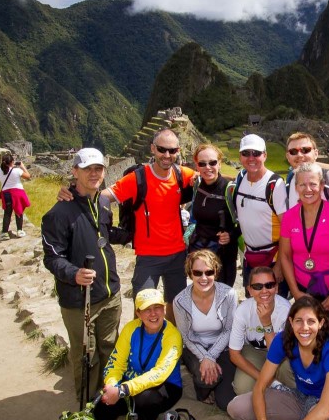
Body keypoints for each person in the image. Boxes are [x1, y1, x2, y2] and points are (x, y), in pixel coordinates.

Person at [41, 148, 122, 399]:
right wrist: (74, 273)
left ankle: (110, 399)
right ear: (75, 172)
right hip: (80, 300)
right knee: (87, 355)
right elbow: (52, 257)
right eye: (88, 169)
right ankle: (88, 405)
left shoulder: (102, 204)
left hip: (110, 293)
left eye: (98, 169)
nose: (94, 174)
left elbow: (106, 236)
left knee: (110, 349)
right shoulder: (59, 214)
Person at [108, 129, 195, 323]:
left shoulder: (182, 175)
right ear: (153, 149)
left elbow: (211, 178)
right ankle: (139, 345)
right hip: (148, 255)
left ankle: (172, 345)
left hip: (177, 253)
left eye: (172, 151)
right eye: (162, 149)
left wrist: (243, 181)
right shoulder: (137, 178)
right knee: (143, 306)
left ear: (178, 151)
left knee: (176, 304)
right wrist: (74, 195)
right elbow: (106, 196)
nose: (167, 155)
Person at [94, 289, 184, 420]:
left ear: (164, 309)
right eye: (147, 310)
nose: (153, 314)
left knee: (144, 399)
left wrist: (122, 390)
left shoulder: (173, 336)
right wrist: (112, 385)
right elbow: (116, 362)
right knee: (99, 402)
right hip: (132, 381)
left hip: (165, 385)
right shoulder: (131, 328)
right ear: (138, 313)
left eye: (157, 308)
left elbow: (159, 373)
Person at [278, 162, 329, 320]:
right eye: (302, 184)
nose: (308, 190)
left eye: (313, 184)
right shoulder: (289, 217)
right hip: (303, 289)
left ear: (321, 186)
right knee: (308, 336)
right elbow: (285, 256)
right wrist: (295, 292)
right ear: (296, 187)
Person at [172, 250, 239, 410]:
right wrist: (204, 358)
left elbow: (230, 329)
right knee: (205, 380)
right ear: (190, 274)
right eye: (197, 273)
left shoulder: (229, 294)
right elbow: (186, 336)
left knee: (225, 402)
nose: (203, 278)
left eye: (209, 272)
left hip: (222, 348)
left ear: (215, 272)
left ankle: (216, 384)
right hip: (195, 349)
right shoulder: (180, 301)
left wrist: (211, 356)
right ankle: (202, 392)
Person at [226, 134, 288, 289]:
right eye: (246, 153)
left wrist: (280, 265)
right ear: (240, 156)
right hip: (249, 257)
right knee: (252, 304)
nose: (251, 158)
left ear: (265, 155)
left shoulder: (275, 185)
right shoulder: (240, 178)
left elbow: (287, 229)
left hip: (272, 257)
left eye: (256, 153)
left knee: (274, 307)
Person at [229, 266, 296, 395]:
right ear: (250, 290)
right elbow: (234, 355)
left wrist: (267, 324)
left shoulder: (285, 310)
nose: (264, 291)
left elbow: (277, 352)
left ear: (276, 288)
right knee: (242, 389)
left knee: (292, 383)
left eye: (269, 285)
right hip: (253, 351)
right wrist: (265, 380)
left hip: (281, 353)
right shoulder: (243, 310)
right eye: (258, 287)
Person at [188, 143, 240, 286]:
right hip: (199, 253)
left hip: (222, 255)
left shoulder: (230, 190)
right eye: (202, 164)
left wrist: (231, 234)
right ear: (197, 166)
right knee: (201, 295)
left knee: (221, 296)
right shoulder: (197, 184)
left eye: (212, 162)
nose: (208, 167)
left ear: (220, 163)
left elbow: (244, 221)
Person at [283, 132, 329, 209]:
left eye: (305, 150)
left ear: (316, 153)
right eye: (293, 151)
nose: (299, 155)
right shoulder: (290, 180)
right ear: (288, 156)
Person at [0, 154, 31, 240]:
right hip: (17, 192)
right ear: (11, 162)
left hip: (6, 193)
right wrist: (22, 166)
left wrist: (11, 166)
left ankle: (4, 233)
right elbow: (28, 176)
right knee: (19, 211)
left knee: (7, 213)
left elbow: (3, 173)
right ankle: (19, 231)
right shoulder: (17, 171)